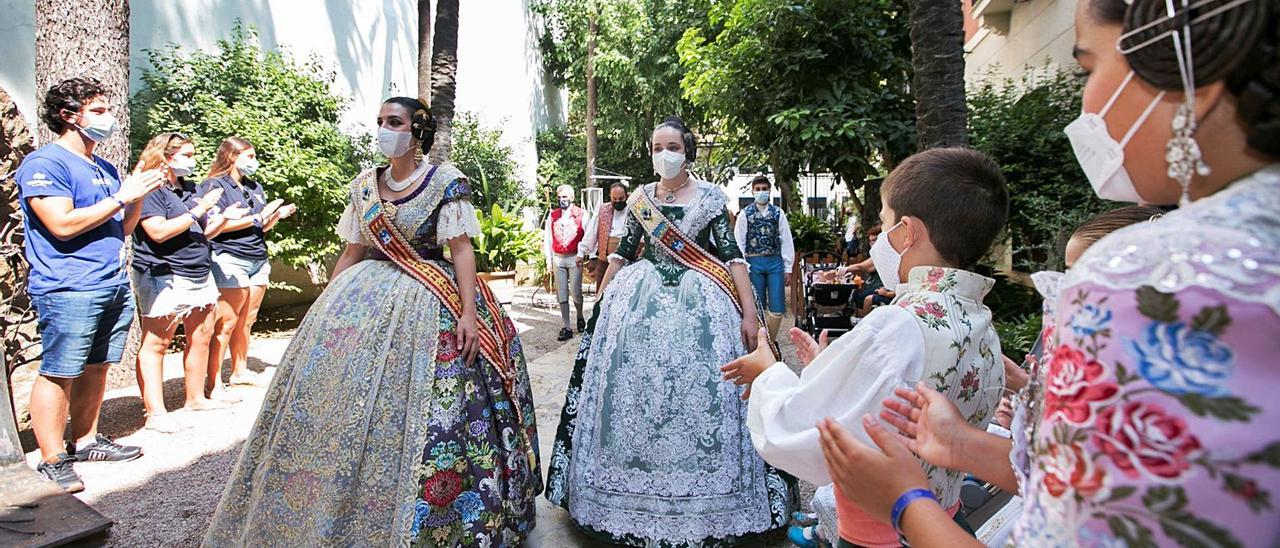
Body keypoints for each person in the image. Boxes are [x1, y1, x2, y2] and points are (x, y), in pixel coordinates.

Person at [817, 0, 1280, 545]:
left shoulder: (1150, 281)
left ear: (1188, 77)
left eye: (1088, 67)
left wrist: (904, 502)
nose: (1086, 103)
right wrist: (963, 445)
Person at [203, 97, 541, 546]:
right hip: (364, 295)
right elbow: (353, 250)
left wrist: (468, 313)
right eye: (380, 121)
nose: (384, 129)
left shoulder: (446, 182)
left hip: (430, 296)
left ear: (418, 132)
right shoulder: (364, 185)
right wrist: (321, 313)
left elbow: (460, 250)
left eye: (395, 122)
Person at [722, 147, 1009, 548]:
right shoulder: (978, 319)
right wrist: (833, 367)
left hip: (881, 534)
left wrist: (768, 371)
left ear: (907, 233)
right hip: (947, 518)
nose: (880, 238)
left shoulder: (897, 322)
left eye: (884, 223)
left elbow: (808, 431)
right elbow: (885, 395)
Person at [545, 116, 794, 546]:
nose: (665, 154)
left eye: (673, 146)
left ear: (688, 150)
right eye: (658, 146)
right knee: (633, 394)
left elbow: (733, 258)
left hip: (702, 305)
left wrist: (750, 316)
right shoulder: (641, 199)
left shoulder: (712, 199)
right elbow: (622, 255)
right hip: (637, 301)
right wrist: (602, 302)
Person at [15, 77, 153, 492]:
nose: (107, 118)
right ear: (67, 116)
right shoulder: (46, 164)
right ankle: (52, 458)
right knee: (60, 371)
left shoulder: (104, 167)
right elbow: (61, 224)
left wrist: (139, 192)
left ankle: (87, 440)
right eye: (97, 111)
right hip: (68, 285)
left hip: (110, 281)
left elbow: (122, 226)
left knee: (97, 366)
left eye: (106, 109)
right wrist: (120, 196)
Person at [129, 132, 251, 433]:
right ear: (166, 157)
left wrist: (222, 218)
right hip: (164, 272)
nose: (193, 161)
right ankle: (155, 413)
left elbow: (202, 232)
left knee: (202, 334)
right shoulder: (152, 188)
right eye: (187, 155)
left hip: (199, 269)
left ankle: (195, 398)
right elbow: (157, 232)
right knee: (158, 341)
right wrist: (199, 209)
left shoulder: (187, 188)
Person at [198, 137, 295, 398]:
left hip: (257, 257)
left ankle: (239, 372)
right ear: (231, 156)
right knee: (226, 322)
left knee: (247, 320)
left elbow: (259, 226)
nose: (254, 161)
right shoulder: (213, 186)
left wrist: (275, 216)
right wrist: (257, 217)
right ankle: (214, 382)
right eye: (249, 157)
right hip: (229, 258)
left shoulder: (254, 186)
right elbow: (215, 226)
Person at [735, 175, 796, 341]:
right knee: (757, 306)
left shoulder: (778, 214)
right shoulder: (745, 214)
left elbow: (786, 240)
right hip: (753, 263)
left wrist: (788, 267)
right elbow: (739, 242)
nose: (761, 192)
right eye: (758, 189)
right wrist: (742, 268)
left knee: (777, 308)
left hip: (775, 262)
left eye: (764, 189)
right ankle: (762, 344)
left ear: (769, 191)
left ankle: (770, 341)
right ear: (753, 191)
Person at [544, 183, 587, 340]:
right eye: (560, 197)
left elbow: (587, 235)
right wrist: (548, 259)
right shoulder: (553, 215)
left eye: (565, 197)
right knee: (561, 292)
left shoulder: (581, 214)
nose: (562, 200)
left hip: (574, 257)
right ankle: (566, 326)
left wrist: (583, 254)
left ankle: (580, 316)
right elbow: (547, 238)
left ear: (572, 198)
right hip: (558, 257)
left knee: (576, 291)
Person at [578, 181, 629, 285]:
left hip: (627, 262)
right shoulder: (602, 209)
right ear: (610, 196)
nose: (618, 201)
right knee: (602, 294)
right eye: (614, 199)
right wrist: (581, 253)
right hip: (604, 261)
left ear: (626, 196)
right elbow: (591, 233)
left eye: (621, 199)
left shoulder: (634, 210)